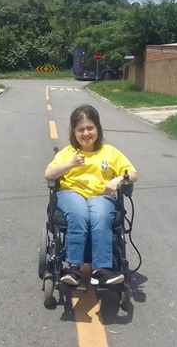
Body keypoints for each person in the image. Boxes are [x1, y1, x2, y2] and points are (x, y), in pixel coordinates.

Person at [44, 104, 138, 286]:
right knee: (79, 213)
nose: (86, 133)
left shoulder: (110, 152)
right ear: (74, 132)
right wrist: (70, 164)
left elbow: (132, 174)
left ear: (97, 129)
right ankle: (73, 268)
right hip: (71, 193)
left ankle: (101, 270)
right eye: (81, 129)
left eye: (90, 128)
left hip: (100, 196)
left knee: (101, 215)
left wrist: (117, 180)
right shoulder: (68, 153)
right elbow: (49, 174)